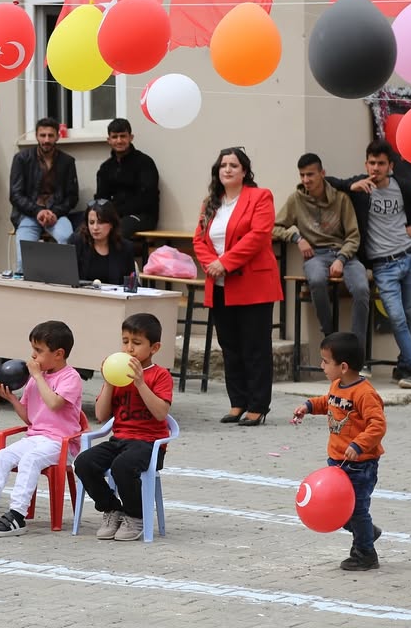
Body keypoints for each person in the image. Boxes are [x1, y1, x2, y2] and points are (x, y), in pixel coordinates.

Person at [327, 140, 411, 389]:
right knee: (397, 318)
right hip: (382, 265)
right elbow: (326, 182)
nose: (375, 168)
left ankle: (405, 366)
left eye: (381, 163)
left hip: (410, 256)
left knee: (410, 316)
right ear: (365, 163)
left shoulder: (403, 186)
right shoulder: (360, 187)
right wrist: (350, 185)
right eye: (371, 163)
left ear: (390, 165)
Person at [0, 320, 83, 537]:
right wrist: (12, 400)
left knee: (31, 460)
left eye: (39, 351)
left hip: (61, 442)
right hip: (36, 437)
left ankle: (18, 515)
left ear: (58, 354)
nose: (33, 356)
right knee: (2, 456)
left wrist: (37, 377)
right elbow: (30, 418)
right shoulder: (36, 379)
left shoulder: (70, 378)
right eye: (33, 350)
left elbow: (55, 404)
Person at [193, 147, 282, 427]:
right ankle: (237, 402)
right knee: (230, 346)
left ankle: (258, 406)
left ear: (244, 171)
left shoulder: (260, 196)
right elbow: (198, 240)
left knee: (254, 346)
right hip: (220, 284)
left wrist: (226, 262)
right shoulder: (211, 202)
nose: (228, 170)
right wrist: (212, 265)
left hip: (252, 284)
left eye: (234, 165)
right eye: (223, 165)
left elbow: (258, 236)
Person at [74, 313, 173, 542]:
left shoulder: (160, 375)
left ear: (154, 347)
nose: (129, 349)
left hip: (149, 445)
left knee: (123, 466)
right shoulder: (118, 375)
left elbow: (161, 414)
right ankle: (112, 509)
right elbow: (100, 415)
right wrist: (109, 381)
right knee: (84, 462)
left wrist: (140, 383)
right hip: (120, 440)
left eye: (136, 343)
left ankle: (135, 515)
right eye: (125, 341)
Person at [292, 332, 386, 571]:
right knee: (345, 513)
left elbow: (378, 425)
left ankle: (366, 554)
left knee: (355, 510)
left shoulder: (365, 394)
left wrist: (358, 444)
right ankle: (366, 531)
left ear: (343, 366)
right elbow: (329, 402)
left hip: (360, 465)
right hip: (337, 463)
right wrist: (309, 406)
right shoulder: (337, 385)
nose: (321, 366)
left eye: (325, 361)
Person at [273, 153, 368, 346]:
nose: (306, 180)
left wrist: (341, 258)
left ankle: (357, 349)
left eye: (310, 174)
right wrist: (296, 238)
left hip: (345, 255)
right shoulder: (296, 200)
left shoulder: (341, 199)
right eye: (302, 175)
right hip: (316, 255)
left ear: (322, 173)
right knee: (316, 280)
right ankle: (331, 339)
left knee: (361, 289)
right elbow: (273, 227)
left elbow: (353, 235)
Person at [10, 117, 79, 273]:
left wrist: (55, 213)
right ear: (36, 136)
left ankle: (66, 285)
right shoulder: (22, 159)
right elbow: (15, 195)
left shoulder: (67, 161)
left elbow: (72, 196)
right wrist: (37, 211)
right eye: (42, 135)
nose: (46, 140)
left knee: (68, 242)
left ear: (57, 136)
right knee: (23, 260)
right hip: (28, 214)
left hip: (57, 214)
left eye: (50, 135)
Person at [94, 118, 160, 241]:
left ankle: (118, 261)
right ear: (109, 140)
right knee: (83, 231)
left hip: (143, 216)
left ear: (131, 137)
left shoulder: (145, 163)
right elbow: (101, 199)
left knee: (116, 232)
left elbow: (147, 198)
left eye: (123, 136)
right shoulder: (105, 168)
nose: (119, 141)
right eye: (114, 137)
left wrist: (115, 212)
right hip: (113, 216)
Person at [73, 199, 137, 285]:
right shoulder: (77, 243)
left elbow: (131, 284)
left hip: (113, 297)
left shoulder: (125, 248)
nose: (95, 227)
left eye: (100, 222)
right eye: (91, 223)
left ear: (111, 224)